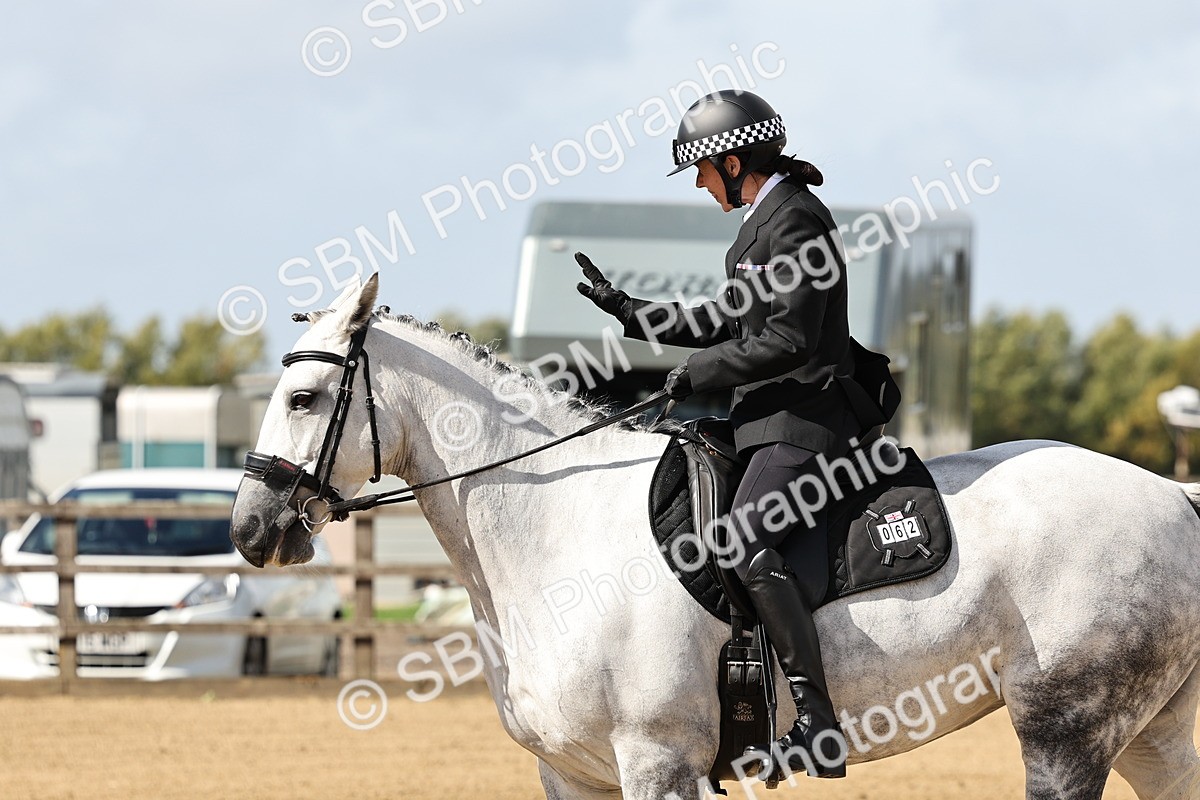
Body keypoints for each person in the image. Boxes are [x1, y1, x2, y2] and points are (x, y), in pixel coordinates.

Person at [575, 89, 899, 779]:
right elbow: (729, 318)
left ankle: (816, 723)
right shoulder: (762, 220)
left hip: (809, 419)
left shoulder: (797, 221)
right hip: (762, 418)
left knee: (746, 539)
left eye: (700, 169)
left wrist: (698, 375)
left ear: (730, 159)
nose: (698, 184)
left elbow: (790, 337)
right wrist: (633, 313)